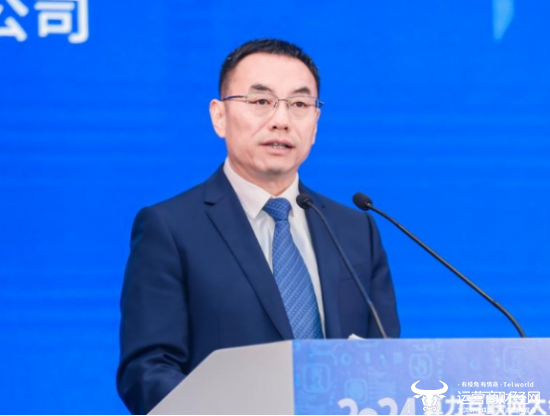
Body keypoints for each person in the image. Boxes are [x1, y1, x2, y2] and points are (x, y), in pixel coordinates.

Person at [117, 38, 400, 415]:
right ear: (219, 116)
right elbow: (147, 371)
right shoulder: (170, 228)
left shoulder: (355, 230)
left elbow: (385, 360)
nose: (281, 120)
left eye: (299, 104)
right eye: (261, 101)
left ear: (315, 124)